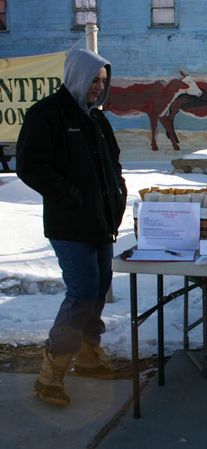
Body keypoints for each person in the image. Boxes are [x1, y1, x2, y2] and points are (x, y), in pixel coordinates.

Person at [16, 48, 127, 406]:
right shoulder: (46, 115)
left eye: (103, 82)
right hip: (70, 223)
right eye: (94, 80)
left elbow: (114, 162)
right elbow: (30, 165)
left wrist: (118, 192)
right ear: (77, 76)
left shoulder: (96, 119)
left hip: (101, 222)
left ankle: (88, 355)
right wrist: (71, 196)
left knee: (98, 288)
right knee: (81, 293)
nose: (99, 87)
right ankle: (51, 372)